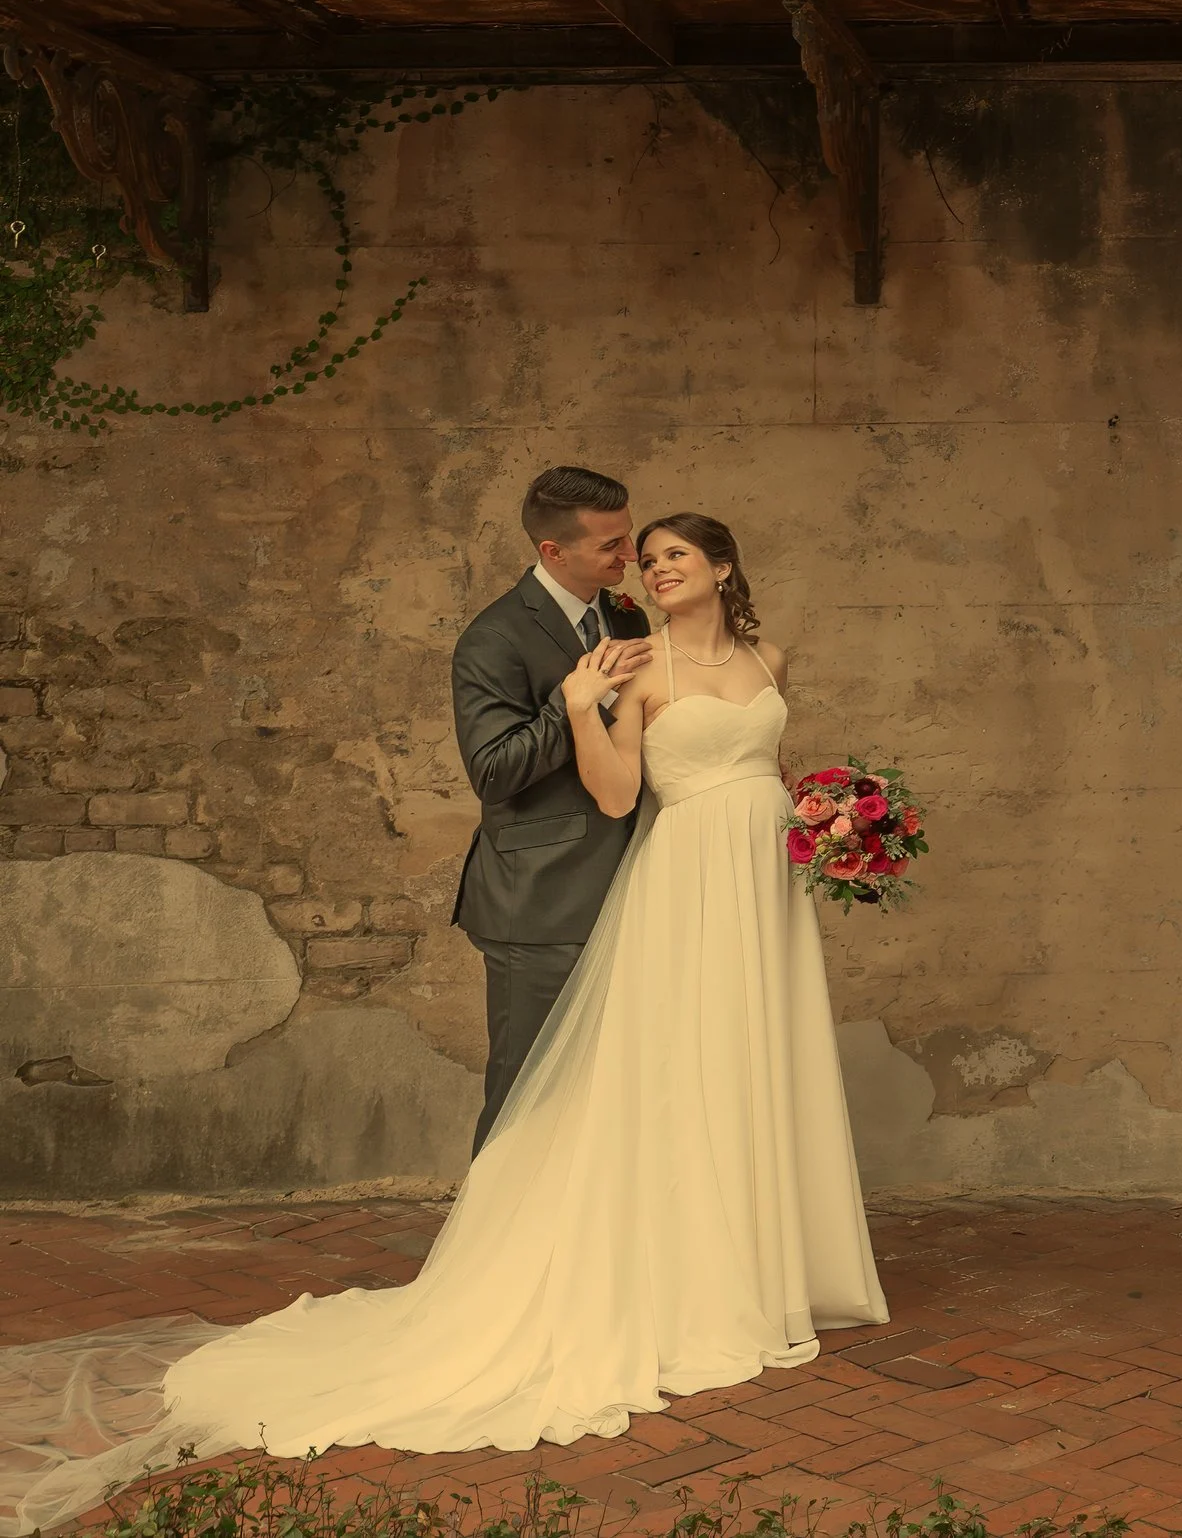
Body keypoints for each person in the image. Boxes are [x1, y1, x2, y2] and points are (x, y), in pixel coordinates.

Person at [0, 500, 887, 1530]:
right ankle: (692, 1279)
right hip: (687, 881)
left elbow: (766, 768)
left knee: (754, 1067)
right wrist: (579, 699)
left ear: (726, 566)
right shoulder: (631, 665)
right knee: (679, 1074)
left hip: (762, 886)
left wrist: (833, 811)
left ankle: (774, 1260)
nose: (654, 572)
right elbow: (611, 796)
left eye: (674, 556)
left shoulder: (771, 656)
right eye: (645, 560)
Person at [451, 465, 654, 1148]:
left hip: (625, 881)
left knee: (608, 1094)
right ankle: (487, 1253)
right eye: (612, 547)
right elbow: (494, 770)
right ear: (552, 553)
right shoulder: (494, 638)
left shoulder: (623, 613)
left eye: (627, 539)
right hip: (537, 900)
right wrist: (580, 697)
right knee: (526, 1092)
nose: (632, 558)